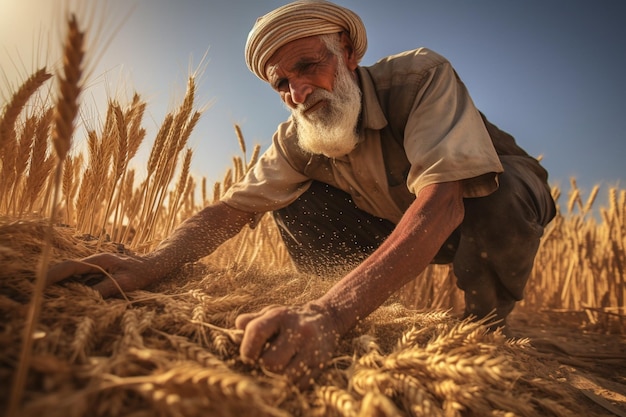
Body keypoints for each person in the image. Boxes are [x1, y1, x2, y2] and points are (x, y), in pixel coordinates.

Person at [47, 0, 556, 388]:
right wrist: (147, 264)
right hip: (397, 226)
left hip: (480, 215)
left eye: (309, 67)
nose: (298, 93)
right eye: (282, 85)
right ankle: (343, 304)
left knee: (501, 191)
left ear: (349, 53)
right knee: (297, 199)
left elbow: (444, 202)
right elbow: (231, 209)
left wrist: (331, 314)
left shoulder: (420, 79)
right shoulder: (296, 138)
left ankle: (487, 323)